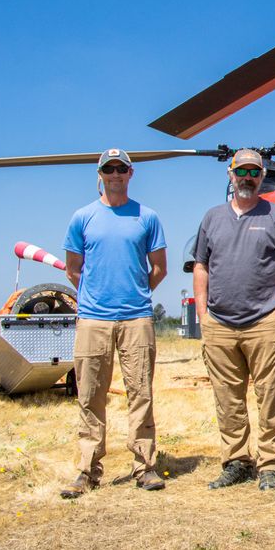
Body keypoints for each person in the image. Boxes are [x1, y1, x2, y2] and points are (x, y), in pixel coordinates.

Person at [60, 149, 168, 499]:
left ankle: (144, 467)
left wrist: (135, 294)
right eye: (109, 168)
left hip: (137, 318)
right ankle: (87, 470)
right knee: (90, 395)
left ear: (131, 173)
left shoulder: (147, 217)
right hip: (93, 320)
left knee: (141, 393)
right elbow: (73, 268)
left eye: (122, 168)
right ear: (100, 174)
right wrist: (96, 298)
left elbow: (159, 268)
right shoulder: (82, 217)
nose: (116, 173)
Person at [193, 149, 275, 491]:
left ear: (261, 176)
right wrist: (202, 316)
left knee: (270, 396)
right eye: (241, 171)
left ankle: (269, 464)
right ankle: (236, 461)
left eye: (254, 172)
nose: (247, 177)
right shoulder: (212, 218)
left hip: (264, 324)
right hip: (220, 325)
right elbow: (200, 266)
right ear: (230, 174)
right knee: (228, 398)